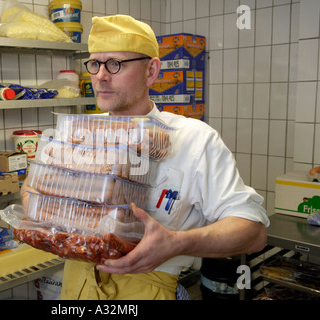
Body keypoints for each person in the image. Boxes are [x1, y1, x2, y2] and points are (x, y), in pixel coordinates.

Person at [51, 15, 270, 300]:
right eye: (95, 63)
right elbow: (33, 194)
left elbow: (253, 232)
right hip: (76, 290)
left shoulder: (193, 139)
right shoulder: (81, 134)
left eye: (115, 63)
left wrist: (177, 243)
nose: (101, 76)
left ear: (151, 71)